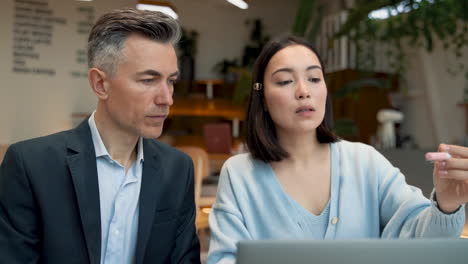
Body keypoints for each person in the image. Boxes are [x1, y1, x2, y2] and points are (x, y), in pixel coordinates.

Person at [207, 35, 467, 264]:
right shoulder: (240, 174)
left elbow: (424, 245)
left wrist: (447, 204)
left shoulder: (364, 163)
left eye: (314, 78)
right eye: (285, 81)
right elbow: (224, 259)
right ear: (262, 99)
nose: (303, 91)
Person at [0, 8, 200, 264]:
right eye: (149, 80)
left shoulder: (178, 169)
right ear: (100, 84)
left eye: (170, 81)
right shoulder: (30, 166)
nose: (167, 99)